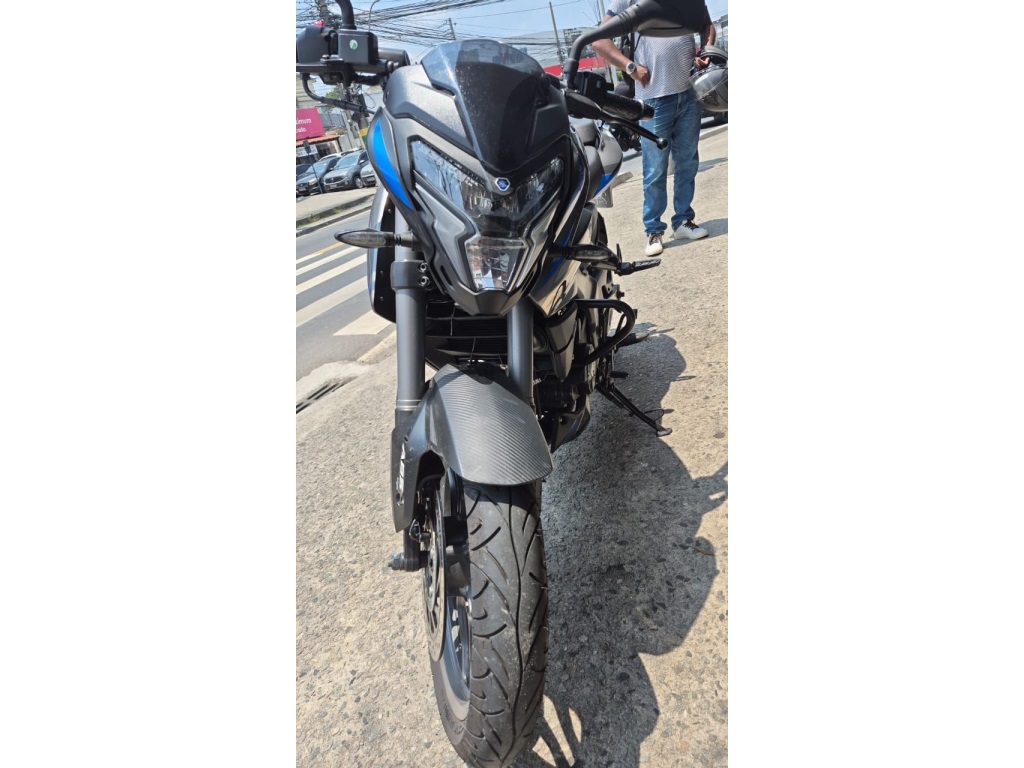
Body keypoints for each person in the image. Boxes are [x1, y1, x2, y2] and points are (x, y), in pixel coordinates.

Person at [592, 1, 716, 256]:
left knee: (687, 163)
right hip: (653, 99)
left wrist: (706, 50)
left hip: (689, 92)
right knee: (655, 168)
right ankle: (653, 230)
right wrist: (630, 67)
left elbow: (706, 24)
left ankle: (683, 221)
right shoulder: (627, 1)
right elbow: (599, 40)